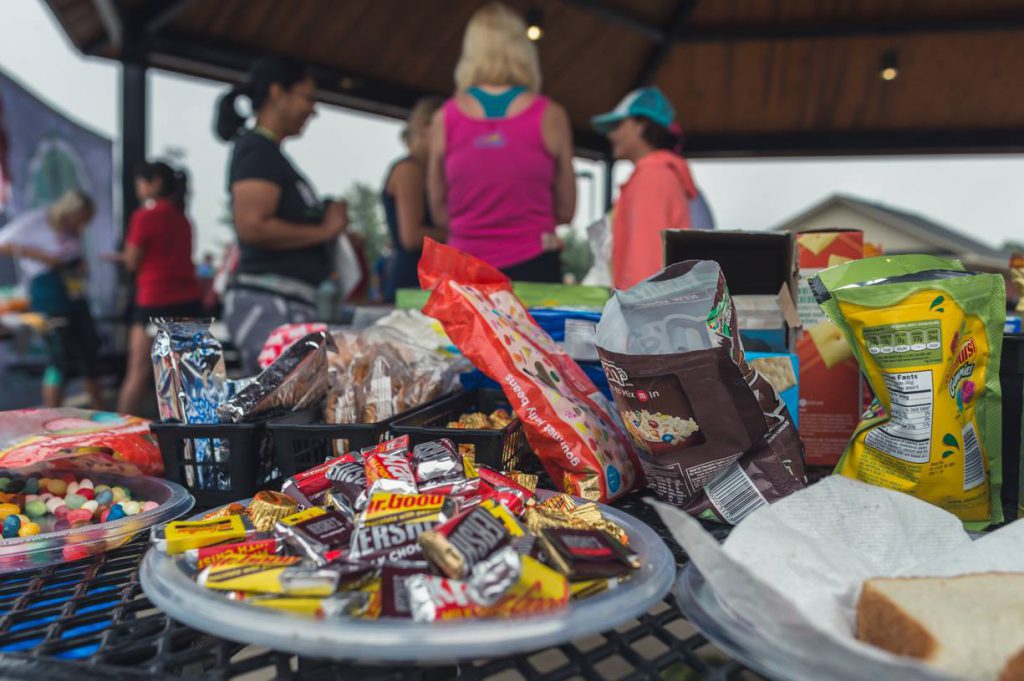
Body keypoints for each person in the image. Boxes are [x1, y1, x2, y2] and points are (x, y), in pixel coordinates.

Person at [215, 56, 348, 373]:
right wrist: (324, 231)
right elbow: (252, 227)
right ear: (278, 93)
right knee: (279, 406)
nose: (313, 110)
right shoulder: (257, 150)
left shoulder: (269, 153)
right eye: (307, 97)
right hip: (267, 304)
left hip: (289, 302)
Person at [428, 2, 575, 283]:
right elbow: (567, 208)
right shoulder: (550, 115)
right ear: (523, 51)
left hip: (463, 270)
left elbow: (438, 211)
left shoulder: (444, 118)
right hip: (535, 267)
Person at [110, 161, 203, 416]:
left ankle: (119, 439)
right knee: (186, 375)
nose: (138, 187)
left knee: (137, 373)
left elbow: (132, 260)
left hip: (154, 301)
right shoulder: (184, 220)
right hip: (188, 302)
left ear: (155, 183)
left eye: (141, 181)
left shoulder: (145, 217)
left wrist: (118, 257)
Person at [592, 87, 703, 290]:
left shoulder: (652, 176)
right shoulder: (658, 174)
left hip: (645, 313)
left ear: (641, 125)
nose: (611, 135)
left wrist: (634, 311)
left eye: (617, 125)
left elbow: (645, 264)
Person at [0, 190, 102, 408]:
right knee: (59, 356)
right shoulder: (38, 220)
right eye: (80, 218)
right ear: (70, 210)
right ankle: (52, 411)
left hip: (73, 290)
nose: (81, 225)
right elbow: (4, 242)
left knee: (89, 350)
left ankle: (99, 407)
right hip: (48, 291)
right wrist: (42, 257)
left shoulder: (73, 230)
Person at [381, 96, 445, 302]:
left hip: (425, 282)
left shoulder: (429, 173)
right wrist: (463, 235)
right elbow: (411, 237)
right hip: (412, 284)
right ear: (425, 127)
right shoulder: (410, 169)